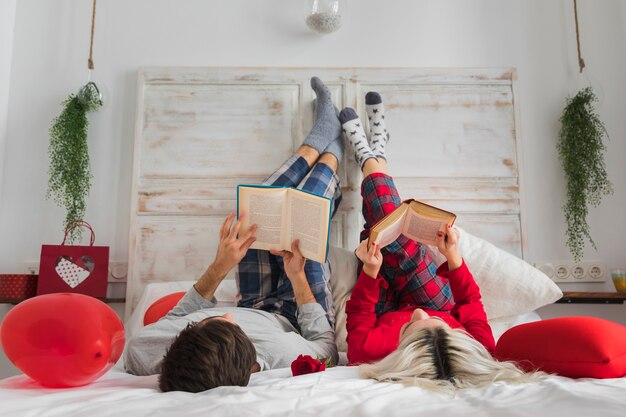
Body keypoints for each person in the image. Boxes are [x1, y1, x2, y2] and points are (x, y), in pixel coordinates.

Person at [124, 77, 344, 392]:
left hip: (254, 299)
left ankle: (316, 142)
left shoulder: (142, 352)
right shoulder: (278, 356)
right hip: (297, 315)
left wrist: (221, 264)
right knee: (309, 206)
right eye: (227, 321)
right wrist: (296, 276)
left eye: (211, 319)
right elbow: (326, 347)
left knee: (260, 206)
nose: (227, 310)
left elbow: (174, 319)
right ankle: (334, 148)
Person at [341, 92, 540, 391]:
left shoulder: (367, 355)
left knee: (377, 239)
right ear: (452, 334)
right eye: (437, 325)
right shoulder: (478, 346)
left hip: (380, 307)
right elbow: (470, 301)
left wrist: (370, 272)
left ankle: (374, 154)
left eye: (410, 329)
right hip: (437, 300)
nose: (417, 314)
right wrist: (454, 257)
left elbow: (358, 314)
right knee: (399, 247)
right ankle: (372, 157)